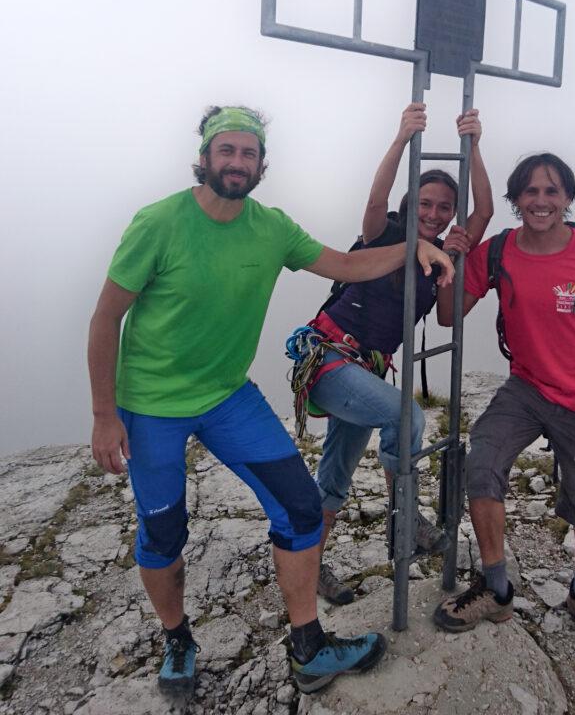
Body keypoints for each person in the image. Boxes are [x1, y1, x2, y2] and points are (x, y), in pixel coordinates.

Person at [88, 105, 453, 697]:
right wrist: (106, 416)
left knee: (303, 508)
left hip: (229, 398)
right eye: (226, 151)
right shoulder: (158, 223)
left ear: (261, 163)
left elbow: (346, 263)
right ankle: (178, 638)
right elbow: (106, 318)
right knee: (163, 534)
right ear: (204, 157)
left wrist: (416, 248)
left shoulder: (272, 226)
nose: (238, 162)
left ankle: (309, 648)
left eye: (249, 153)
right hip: (151, 405)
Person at [432, 153, 575, 650]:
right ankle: (497, 586)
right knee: (482, 460)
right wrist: (454, 260)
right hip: (526, 388)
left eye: (551, 192)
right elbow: (447, 317)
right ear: (516, 200)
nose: (541, 201)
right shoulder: (500, 251)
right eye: (530, 192)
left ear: (567, 198)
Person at [291, 102, 493, 605]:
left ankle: (310, 568)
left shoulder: (440, 256)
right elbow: (376, 196)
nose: (434, 214)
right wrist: (403, 137)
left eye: (444, 208)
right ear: (412, 203)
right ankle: (405, 517)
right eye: (426, 203)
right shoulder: (383, 234)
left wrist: (475, 148)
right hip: (330, 357)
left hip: (366, 370)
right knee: (407, 416)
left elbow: (450, 312)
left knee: (334, 477)